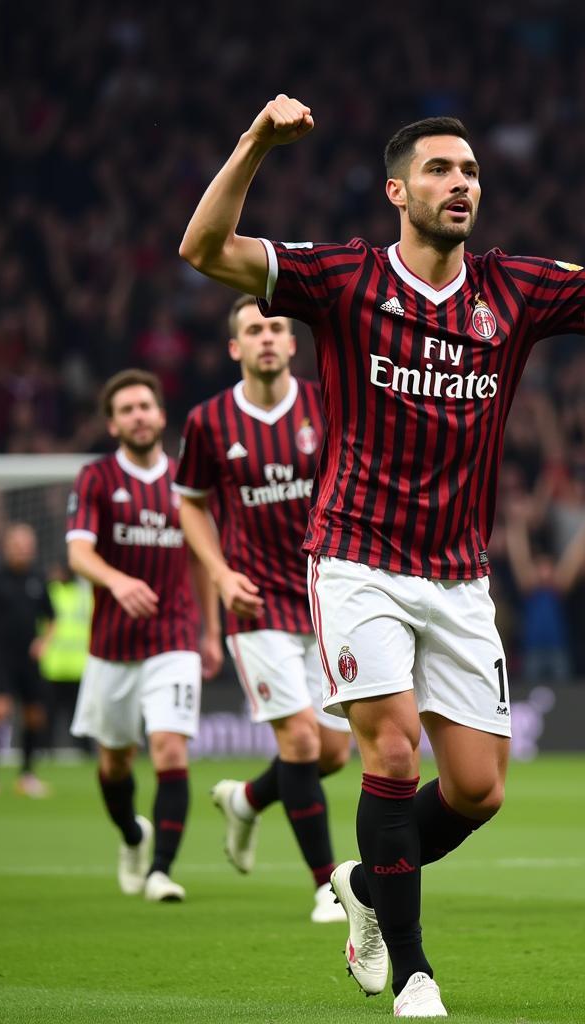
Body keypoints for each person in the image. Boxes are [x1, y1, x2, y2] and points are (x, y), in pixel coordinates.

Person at [180, 95, 585, 1016]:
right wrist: (255, 140)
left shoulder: (515, 290)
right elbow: (207, 248)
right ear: (396, 190)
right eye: (441, 171)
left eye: (471, 173)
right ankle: (413, 970)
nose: (461, 185)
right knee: (390, 749)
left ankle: (367, 883)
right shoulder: (341, 278)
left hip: (459, 574)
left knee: (480, 790)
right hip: (356, 557)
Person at [175, 296, 350, 923]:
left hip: (328, 593)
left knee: (332, 753)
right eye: (254, 330)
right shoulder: (209, 422)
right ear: (235, 347)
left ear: (293, 342)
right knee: (301, 739)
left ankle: (247, 800)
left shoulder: (325, 404)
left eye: (277, 327)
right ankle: (327, 886)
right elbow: (190, 502)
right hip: (256, 601)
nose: (267, 338)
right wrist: (219, 574)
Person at [66, 369, 222, 903]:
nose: (138, 415)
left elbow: (203, 561)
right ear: (113, 424)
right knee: (113, 762)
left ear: (160, 416)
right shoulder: (95, 478)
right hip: (112, 647)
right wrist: (117, 579)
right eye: (126, 409)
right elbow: (78, 551)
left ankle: (160, 871)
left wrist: (210, 631)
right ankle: (134, 835)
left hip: (174, 638)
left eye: (145, 406)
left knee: (169, 749)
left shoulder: (185, 483)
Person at [0, 523, 54, 798]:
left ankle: (27, 776)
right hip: (0, 659)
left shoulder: (38, 579)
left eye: (27, 546)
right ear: (7, 547)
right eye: (17, 545)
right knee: (0, 712)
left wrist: (44, 641)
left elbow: (51, 618)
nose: (22, 551)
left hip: (28, 661)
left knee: (34, 717)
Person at [39, 561, 93, 754]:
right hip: (53, 666)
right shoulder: (49, 593)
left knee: (81, 717)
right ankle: (44, 753)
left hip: (77, 666)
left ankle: (86, 754)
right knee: (49, 716)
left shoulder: (85, 595)